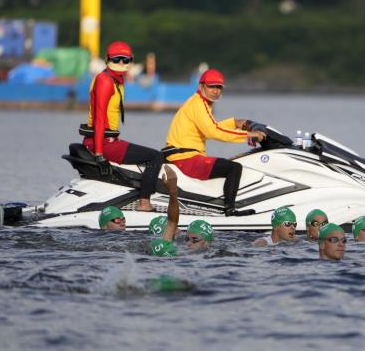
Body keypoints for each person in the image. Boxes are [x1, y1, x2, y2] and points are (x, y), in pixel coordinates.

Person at [164, 68, 266, 216]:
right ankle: (229, 211)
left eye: (218, 87)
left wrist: (235, 123)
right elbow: (213, 132)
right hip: (186, 159)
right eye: (211, 86)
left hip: (186, 156)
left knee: (230, 163)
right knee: (234, 168)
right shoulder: (198, 105)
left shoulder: (201, 103)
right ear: (201, 87)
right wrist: (249, 135)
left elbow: (212, 126)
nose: (216, 91)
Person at [80, 41, 164, 212]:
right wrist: (99, 155)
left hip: (109, 140)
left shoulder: (116, 80)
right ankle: (144, 203)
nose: (121, 64)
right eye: (117, 59)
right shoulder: (105, 80)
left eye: (126, 60)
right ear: (107, 59)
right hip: (102, 143)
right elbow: (99, 118)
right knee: (155, 157)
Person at [149, 166, 180, 257]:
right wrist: (173, 192)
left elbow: (172, 222)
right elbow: (172, 221)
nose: (178, 229)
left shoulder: (154, 248)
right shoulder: (166, 246)